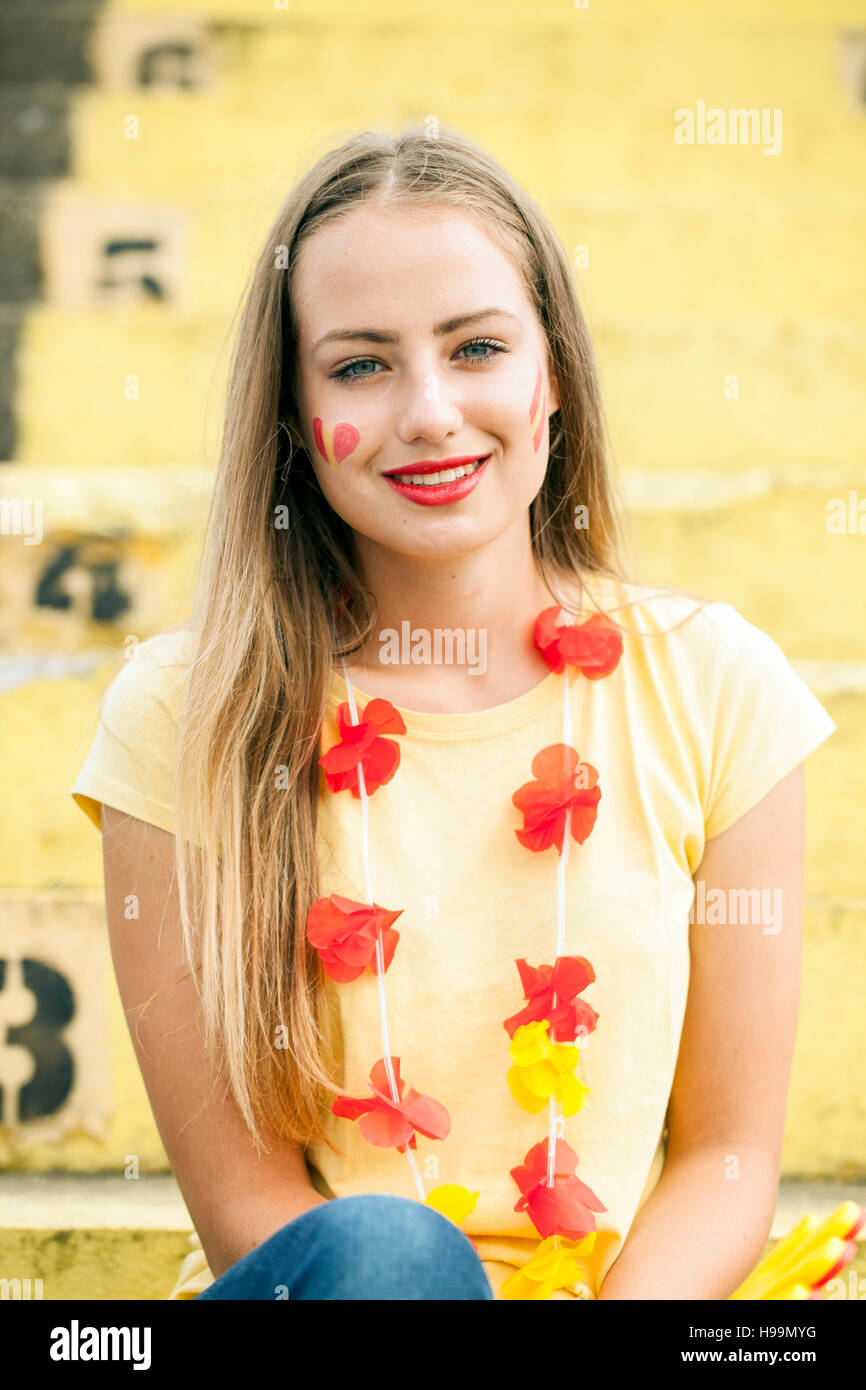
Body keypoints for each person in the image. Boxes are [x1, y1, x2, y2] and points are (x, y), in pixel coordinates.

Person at [71, 122, 836, 1300]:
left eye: (475, 347)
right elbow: (241, 1210)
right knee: (393, 1255)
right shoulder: (185, 716)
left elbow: (729, 1158)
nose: (428, 412)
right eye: (360, 365)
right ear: (291, 419)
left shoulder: (713, 683)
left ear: (554, 382)